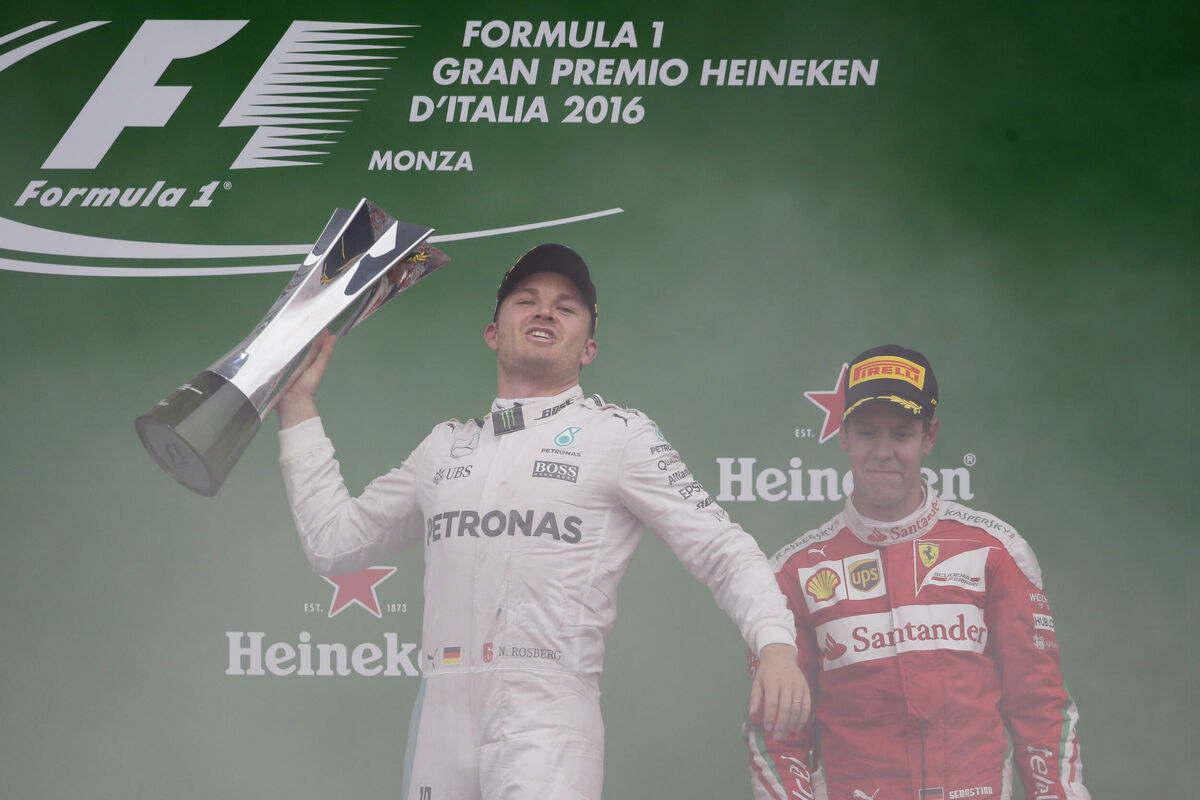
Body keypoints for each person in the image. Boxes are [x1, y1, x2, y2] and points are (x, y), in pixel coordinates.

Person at [275, 243, 810, 800]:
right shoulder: (443, 448)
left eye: (567, 306)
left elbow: (723, 549)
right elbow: (334, 544)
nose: (545, 311)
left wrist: (775, 644)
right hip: (440, 718)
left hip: (547, 717)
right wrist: (298, 409)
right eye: (526, 300)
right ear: (493, 333)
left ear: (589, 348)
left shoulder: (618, 437)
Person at [745, 345, 1089, 800]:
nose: (883, 451)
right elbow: (778, 737)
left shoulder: (995, 551)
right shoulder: (795, 573)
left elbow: (1041, 710)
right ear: (843, 434)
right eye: (867, 432)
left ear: (930, 436)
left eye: (902, 434)